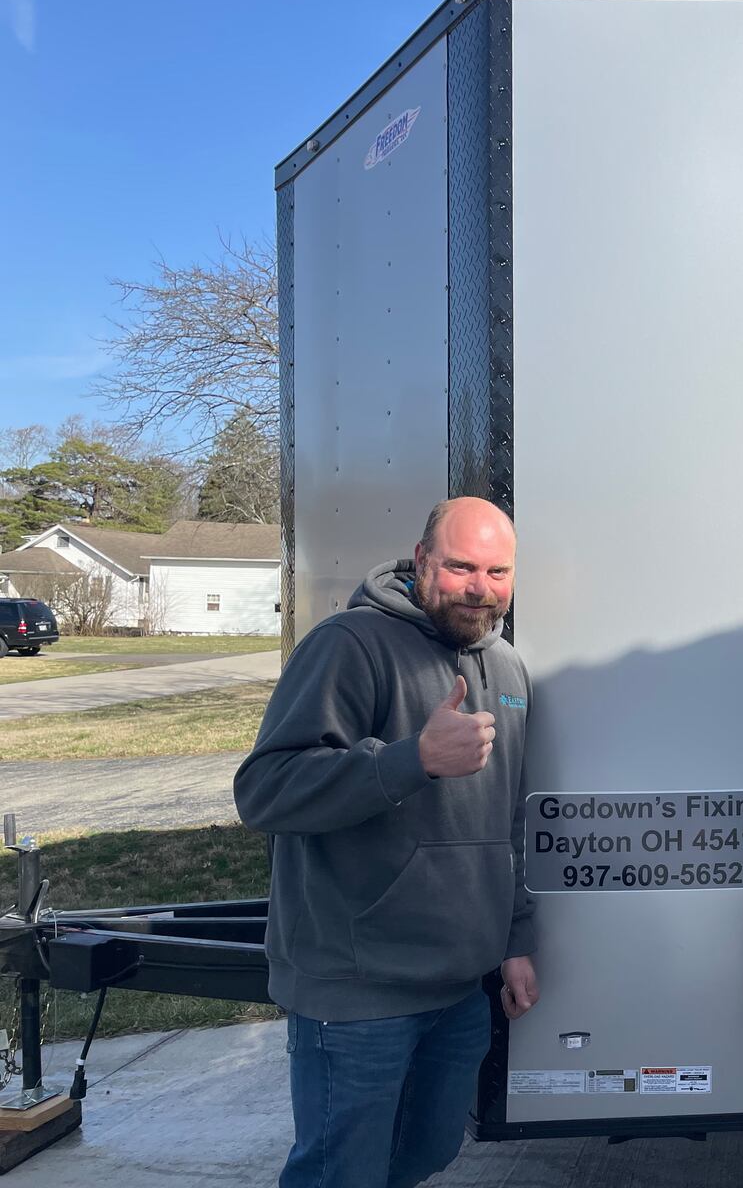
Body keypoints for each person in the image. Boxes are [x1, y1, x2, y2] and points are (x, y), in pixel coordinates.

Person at [235, 497, 539, 1188]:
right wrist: (412, 760)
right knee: (340, 1173)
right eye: (461, 565)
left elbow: (509, 819)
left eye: (497, 571)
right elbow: (266, 790)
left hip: (459, 989)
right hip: (356, 991)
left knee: (425, 1155)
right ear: (422, 558)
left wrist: (516, 939)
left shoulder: (510, 671)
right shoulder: (350, 644)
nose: (478, 586)